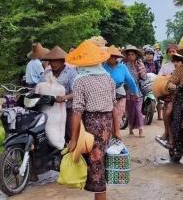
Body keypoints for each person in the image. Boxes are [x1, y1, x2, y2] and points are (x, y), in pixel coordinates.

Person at [67, 40, 115, 200]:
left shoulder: (80, 81)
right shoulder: (108, 78)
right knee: (100, 162)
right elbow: (112, 105)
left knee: (96, 165)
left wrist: (73, 139)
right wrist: (117, 131)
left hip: (92, 125)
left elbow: (77, 111)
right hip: (107, 125)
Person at [40, 46, 78, 142]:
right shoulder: (46, 73)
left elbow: (77, 92)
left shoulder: (71, 73)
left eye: (56, 61)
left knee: (69, 133)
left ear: (62, 61)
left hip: (67, 109)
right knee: (48, 135)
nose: (53, 64)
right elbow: (39, 87)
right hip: (49, 109)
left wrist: (65, 97)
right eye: (51, 61)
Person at [104, 45, 139, 140]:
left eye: (113, 56)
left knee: (118, 117)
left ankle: (115, 136)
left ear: (116, 57)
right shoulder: (103, 67)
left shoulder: (122, 67)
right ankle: (109, 137)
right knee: (107, 118)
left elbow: (130, 80)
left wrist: (135, 93)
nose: (111, 58)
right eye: (110, 56)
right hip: (105, 94)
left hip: (120, 93)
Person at [159, 53, 183, 146]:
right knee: (168, 112)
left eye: (177, 61)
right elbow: (169, 84)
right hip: (175, 98)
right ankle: (169, 134)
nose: (175, 63)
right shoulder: (173, 73)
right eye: (174, 61)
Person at [122, 45, 147, 137]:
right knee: (130, 111)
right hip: (127, 91)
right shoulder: (124, 66)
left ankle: (141, 130)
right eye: (128, 55)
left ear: (136, 55)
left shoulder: (140, 64)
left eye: (132, 54)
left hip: (138, 91)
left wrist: (140, 68)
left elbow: (144, 77)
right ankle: (130, 128)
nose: (130, 56)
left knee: (138, 110)